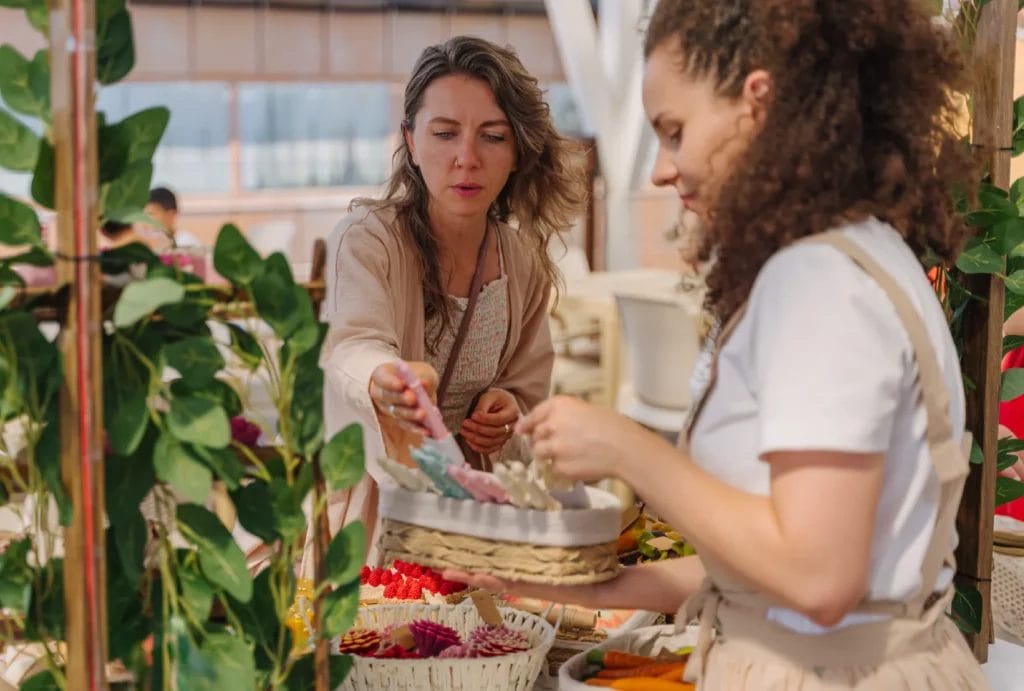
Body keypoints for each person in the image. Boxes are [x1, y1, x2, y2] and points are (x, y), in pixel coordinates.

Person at [448, 2, 990, 688]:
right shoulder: (857, 253)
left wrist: (627, 447)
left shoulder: (819, 282)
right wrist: (583, 584)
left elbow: (819, 577)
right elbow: (771, 566)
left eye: (675, 133)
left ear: (756, 106)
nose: (661, 170)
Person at [318, 35, 586, 558]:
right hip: (378, 506)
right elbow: (351, 345)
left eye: (493, 136)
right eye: (444, 133)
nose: (467, 158)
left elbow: (529, 392)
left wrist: (506, 411)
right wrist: (383, 377)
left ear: (517, 151)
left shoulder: (521, 260)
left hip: (475, 510)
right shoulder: (368, 239)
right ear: (411, 142)